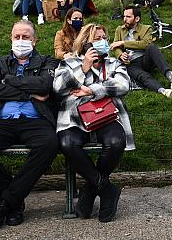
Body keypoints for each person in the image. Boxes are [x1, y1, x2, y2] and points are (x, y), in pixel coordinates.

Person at [0, 20, 59, 231]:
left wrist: (9, 80)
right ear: (10, 38)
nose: (20, 41)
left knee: (49, 145)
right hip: (1, 121)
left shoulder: (47, 62)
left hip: (35, 121)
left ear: (35, 40)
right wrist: (29, 92)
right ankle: (14, 202)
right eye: (17, 37)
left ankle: (5, 203)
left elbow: (44, 86)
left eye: (26, 37)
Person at [53, 23, 133, 222]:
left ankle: (89, 190)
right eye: (97, 38)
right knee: (68, 143)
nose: (103, 41)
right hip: (74, 116)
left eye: (104, 37)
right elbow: (58, 87)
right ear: (85, 42)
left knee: (116, 142)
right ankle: (107, 190)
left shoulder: (114, 63)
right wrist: (83, 68)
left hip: (105, 114)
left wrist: (91, 90)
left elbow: (123, 85)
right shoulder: (69, 62)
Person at [110, 6, 172, 98]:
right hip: (131, 63)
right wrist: (120, 54)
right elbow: (114, 46)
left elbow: (145, 44)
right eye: (124, 16)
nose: (125, 19)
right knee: (143, 76)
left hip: (145, 59)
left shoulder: (146, 28)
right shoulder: (119, 29)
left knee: (152, 47)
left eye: (128, 17)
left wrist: (124, 43)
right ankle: (164, 91)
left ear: (137, 19)